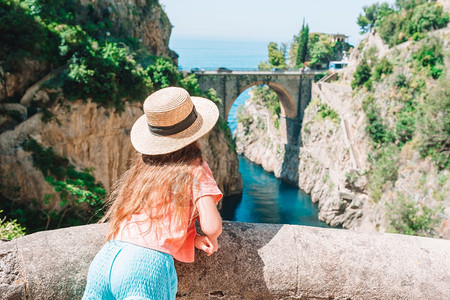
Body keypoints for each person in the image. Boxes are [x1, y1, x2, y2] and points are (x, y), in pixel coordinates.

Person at [82, 87, 223, 300]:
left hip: (107, 259)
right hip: (144, 268)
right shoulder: (195, 168)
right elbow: (212, 226)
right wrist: (208, 235)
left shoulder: (144, 168)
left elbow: (152, 223)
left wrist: (190, 239)